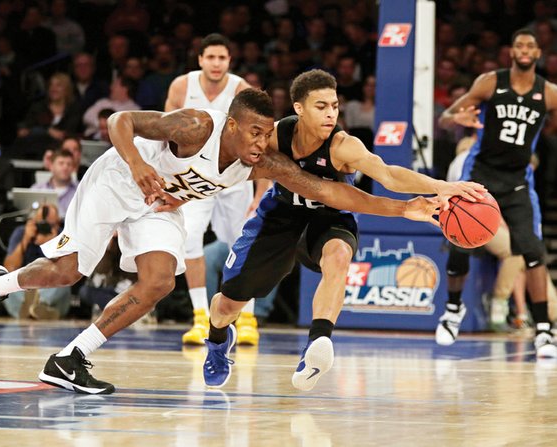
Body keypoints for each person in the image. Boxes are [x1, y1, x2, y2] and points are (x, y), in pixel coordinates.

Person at [0, 89, 477, 395]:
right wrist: (137, 167)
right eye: (252, 133)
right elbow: (120, 121)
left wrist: (406, 207)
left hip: (158, 206)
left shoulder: (263, 162)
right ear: (231, 125)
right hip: (119, 181)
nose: (259, 143)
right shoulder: (197, 125)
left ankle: (68, 359)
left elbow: (332, 192)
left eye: (265, 134)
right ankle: (1, 283)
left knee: (159, 282)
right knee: (68, 271)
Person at [200, 70, 486, 391]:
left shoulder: (343, 145)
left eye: (334, 106)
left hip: (331, 217)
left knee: (338, 256)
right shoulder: (276, 135)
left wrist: (442, 186)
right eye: (321, 106)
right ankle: (217, 341)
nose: (330, 113)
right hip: (280, 215)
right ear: (299, 108)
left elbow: (389, 175)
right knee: (226, 306)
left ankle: (317, 344)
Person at [436, 29, 557, 358]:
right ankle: (452, 311)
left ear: (538, 52)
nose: (525, 49)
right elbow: (445, 117)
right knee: (459, 242)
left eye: (531, 45)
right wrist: (455, 118)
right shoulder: (490, 82)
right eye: (519, 44)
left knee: (532, 251)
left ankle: (544, 329)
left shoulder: (548, 93)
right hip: (480, 175)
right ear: (511, 51)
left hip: (518, 181)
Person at [165, 33, 265, 346]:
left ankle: (247, 317)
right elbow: (164, 135)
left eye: (222, 58)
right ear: (200, 60)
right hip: (195, 177)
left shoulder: (241, 90)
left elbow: (260, 144)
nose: (216, 63)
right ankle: (200, 318)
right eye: (211, 57)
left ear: (229, 61)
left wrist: (261, 193)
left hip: (233, 177)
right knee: (189, 239)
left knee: (242, 243)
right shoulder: (182, 87)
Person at [2, 203, 69, 320]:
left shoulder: (63, 235)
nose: (43, 228)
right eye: (40, 223)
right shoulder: (22, 232)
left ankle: (39, 305)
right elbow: (9, 267)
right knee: (5, 282)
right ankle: (34, 309)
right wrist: (25, 239)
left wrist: (52, 245)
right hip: (24, 287)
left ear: (58, 224)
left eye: (49, 225)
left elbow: (68, 268)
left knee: (65, 279)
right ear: (33, 221)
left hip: (49, 287)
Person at [31, 149, 78, 218]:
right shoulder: (37, 189)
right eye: (61, 163)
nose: (65, 167)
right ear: (51, 166)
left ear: (73, 168)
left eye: (69, 164)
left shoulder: (80, 190)